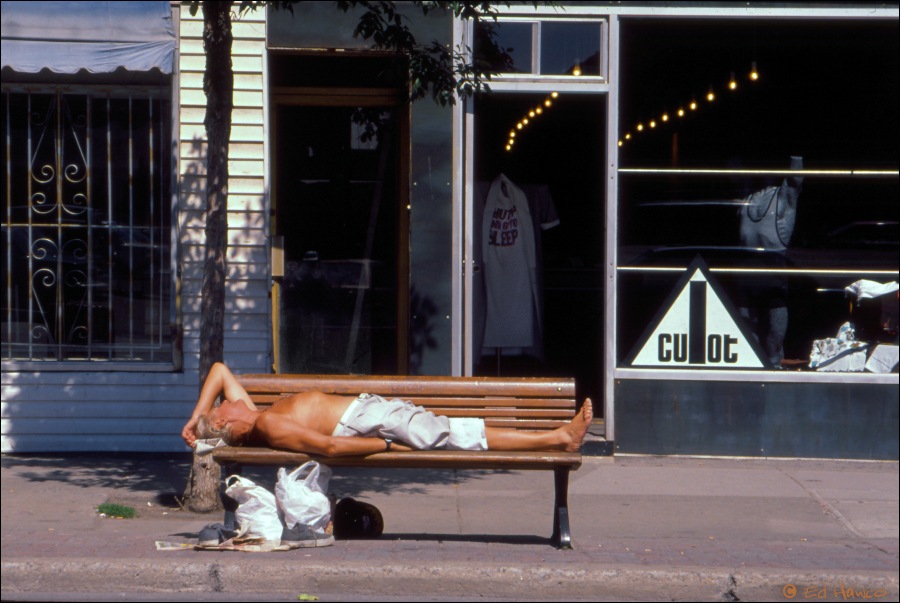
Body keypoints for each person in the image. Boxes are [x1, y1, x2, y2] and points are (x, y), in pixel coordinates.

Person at [182, 362, 593, 457]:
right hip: (368, 422)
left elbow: (219, 370)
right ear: (224, 421)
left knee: (452, 430)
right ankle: (558, 437)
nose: (226, 399)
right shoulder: (268, 424)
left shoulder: (256, 414)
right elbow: (329, 448)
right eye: (220, 407)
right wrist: (384, 445)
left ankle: (558, 436)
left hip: (370, 413)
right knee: (455, 433)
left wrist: (192, 418)